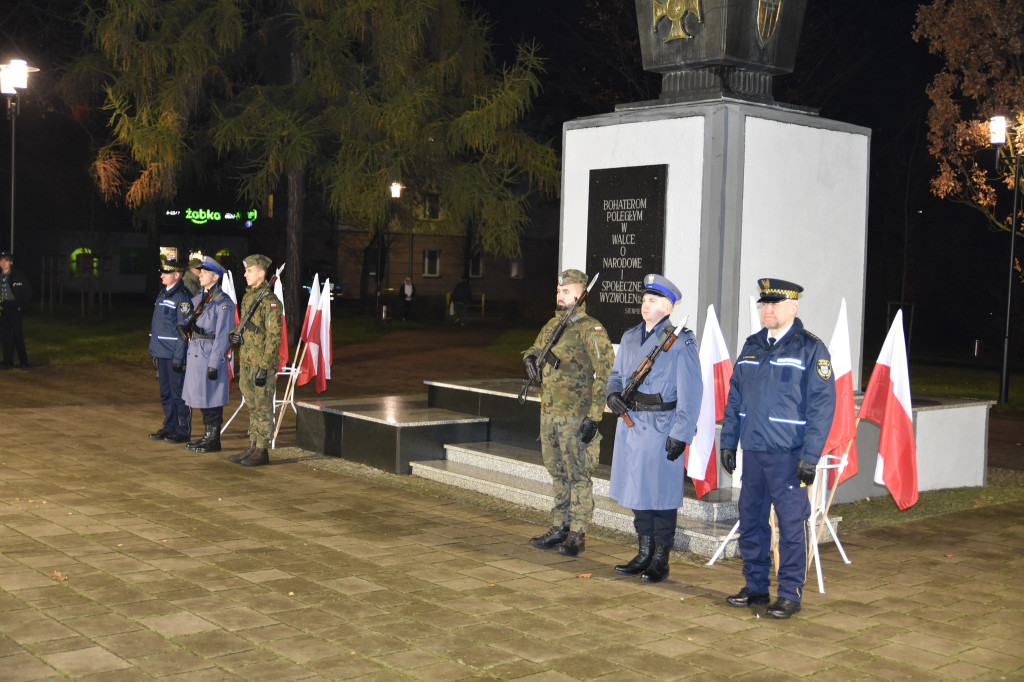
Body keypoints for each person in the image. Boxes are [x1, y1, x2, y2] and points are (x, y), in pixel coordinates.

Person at [719, 278, 835, 619]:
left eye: (775, 304)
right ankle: (756, 587)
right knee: (751, 521)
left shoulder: (810, 349)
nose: (768, 309)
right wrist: (729, 441)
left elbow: (822, 406)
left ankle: (789, 594)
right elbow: (736, 398)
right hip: (753, 453)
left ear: (793, 308)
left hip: (789, 457)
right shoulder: (752, 345)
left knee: (790, 525)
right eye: (764, 304)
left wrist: (810, 456)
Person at [606, 274, 702, 583]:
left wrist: (682, 434)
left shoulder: (681, 341)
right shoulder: (632, 336)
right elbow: (617, 375)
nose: (645, 304)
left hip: (662, 426)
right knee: (637, 490)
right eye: (644, 299)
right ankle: (643, 551)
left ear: (668, 305)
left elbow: (692, 391)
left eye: (653, 300)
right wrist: (612, 395)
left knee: (661, 494)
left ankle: (661, 557)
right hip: (632, 426)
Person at [523, 268, 614, 556]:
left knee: (578, 475)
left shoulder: (591, 329)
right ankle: (559, 526)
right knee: (557, 472)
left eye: (565, 291)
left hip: (576, 416)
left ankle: (577, 533)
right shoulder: (553, 325)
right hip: (549, 413)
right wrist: (529, 359)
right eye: (558, 290)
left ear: (579, 293)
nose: (559, 295)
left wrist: (595, 416)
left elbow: (604, 372)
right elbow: (534, 349)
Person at [226, 254, 283, 467]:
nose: (245, 274)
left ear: (261, 273)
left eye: (249, 271)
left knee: (263, 406)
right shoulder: (249, 297)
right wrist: (235, 334)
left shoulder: (270, 301)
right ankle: (253, 444)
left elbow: (273, 337)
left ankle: (262, 449)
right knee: (251, 405)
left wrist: (265, 367)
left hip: (261, 364)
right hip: (248, 360)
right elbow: (249, 327)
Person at [181, 256, 236, 453]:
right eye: (201, 272)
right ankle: (206, 436)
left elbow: (223, 335)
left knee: (211, 399)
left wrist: (215, 362)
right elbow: (189, 317)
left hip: (209, 355)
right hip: (196, 354)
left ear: (215, 277)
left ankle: (213, 439)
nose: (200, 275)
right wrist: (184, 326)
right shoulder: (201, 298)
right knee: (202, 399)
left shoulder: (224, 303)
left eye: (204, 272)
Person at [148, 257, 192, 444]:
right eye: (162, 272)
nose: (162, 276)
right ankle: (170, 426)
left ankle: (183, 429)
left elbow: (184, 329)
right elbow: (159, 326)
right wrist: (154, 352)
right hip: (162, 352)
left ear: (177, 275)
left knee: (179, 393)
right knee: (165, 392)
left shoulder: (182, 296)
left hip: (174, 354)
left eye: (166, 273)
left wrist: (179, 357)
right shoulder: (164, 293)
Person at [0, 250, 32, 368]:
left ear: (11, 262)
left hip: (14, 306)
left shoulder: (18, 275)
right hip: (2, 307)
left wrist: (20, 306)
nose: (3, 263)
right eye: (1, 260)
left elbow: (27, 292)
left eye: (6, 260)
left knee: (17, 334)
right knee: (4, 335)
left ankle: (23, 361)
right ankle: (8, 360)